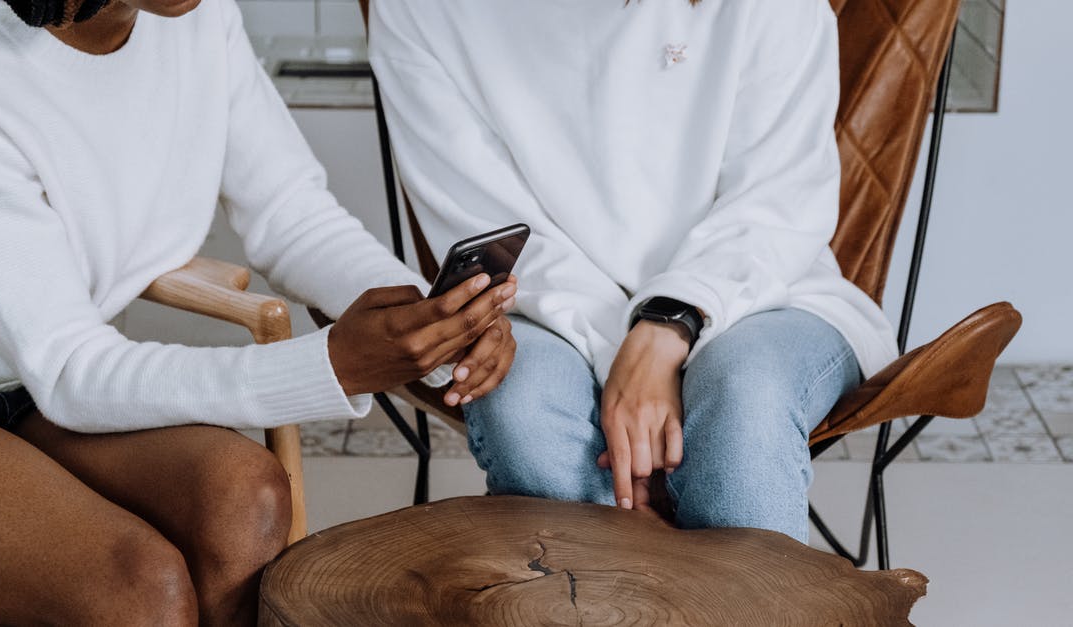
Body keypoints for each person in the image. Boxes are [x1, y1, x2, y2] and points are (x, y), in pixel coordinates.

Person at [0, 0, 517, 624]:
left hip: (34, 386)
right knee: (139, 593)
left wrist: (431, 316)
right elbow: (71, 370)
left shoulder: (198, 18)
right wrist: (332, 364)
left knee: (245, 502)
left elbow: (292, 213)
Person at [369, 0, 899, 544]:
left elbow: (778, 204)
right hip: (544, 304)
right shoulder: (419, 10)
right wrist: (625, 365)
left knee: (744, 399)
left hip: (765, 289)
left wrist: (669, 325)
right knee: (526, 411)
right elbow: (495, 228)